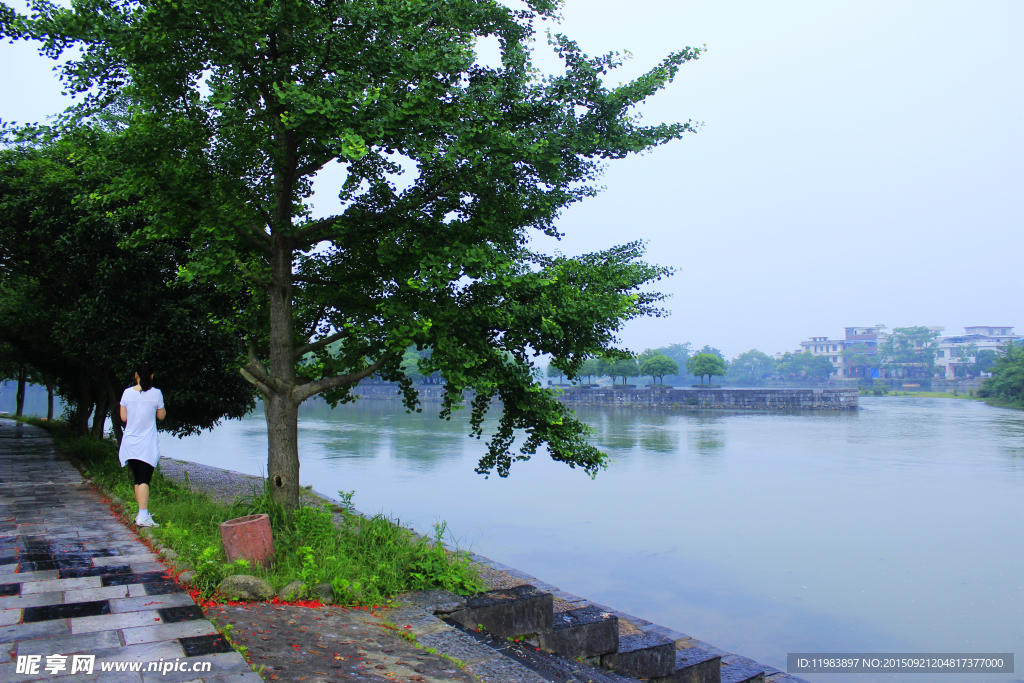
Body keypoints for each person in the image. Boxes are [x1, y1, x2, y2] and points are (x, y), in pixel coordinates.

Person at [118, 361, 166, 527]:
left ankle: (141, 513)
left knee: (138, 479)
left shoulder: (126, 393)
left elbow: (123, 418)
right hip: (146, 444)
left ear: (136, 376)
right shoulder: (156, 394)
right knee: (144, 480)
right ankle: (143, 516)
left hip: (130, 443)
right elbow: (161, 416)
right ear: (152, 376)